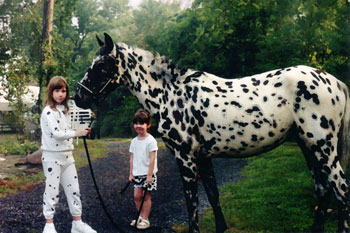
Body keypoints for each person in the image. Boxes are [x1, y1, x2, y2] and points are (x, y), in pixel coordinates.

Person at [40, 76, 97, 233]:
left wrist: (85, 128)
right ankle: (49, 224)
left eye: (63, 91)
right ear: (51, 92)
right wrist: (77, 133)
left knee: (74, 190)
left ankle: (77, 223)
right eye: (57, 91)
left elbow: (75, 123)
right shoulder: (48, 112)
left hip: (67, 156)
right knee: (52, 191)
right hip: (52, 157)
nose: (60, 94)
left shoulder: (66, 110)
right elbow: (57, 133)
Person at [128, 109, 158, 230]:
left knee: (146, 197)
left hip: (147, 174)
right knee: (136, 196)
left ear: (148, 125)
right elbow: (132, 158)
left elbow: (152, 159)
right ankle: (140, 216)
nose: (138, 126)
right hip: (137, 173)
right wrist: (131, 173)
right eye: (136, 123)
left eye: (141, 123)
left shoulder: (151, 141)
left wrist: (149, 176)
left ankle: (145, 219)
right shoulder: (134, 141)